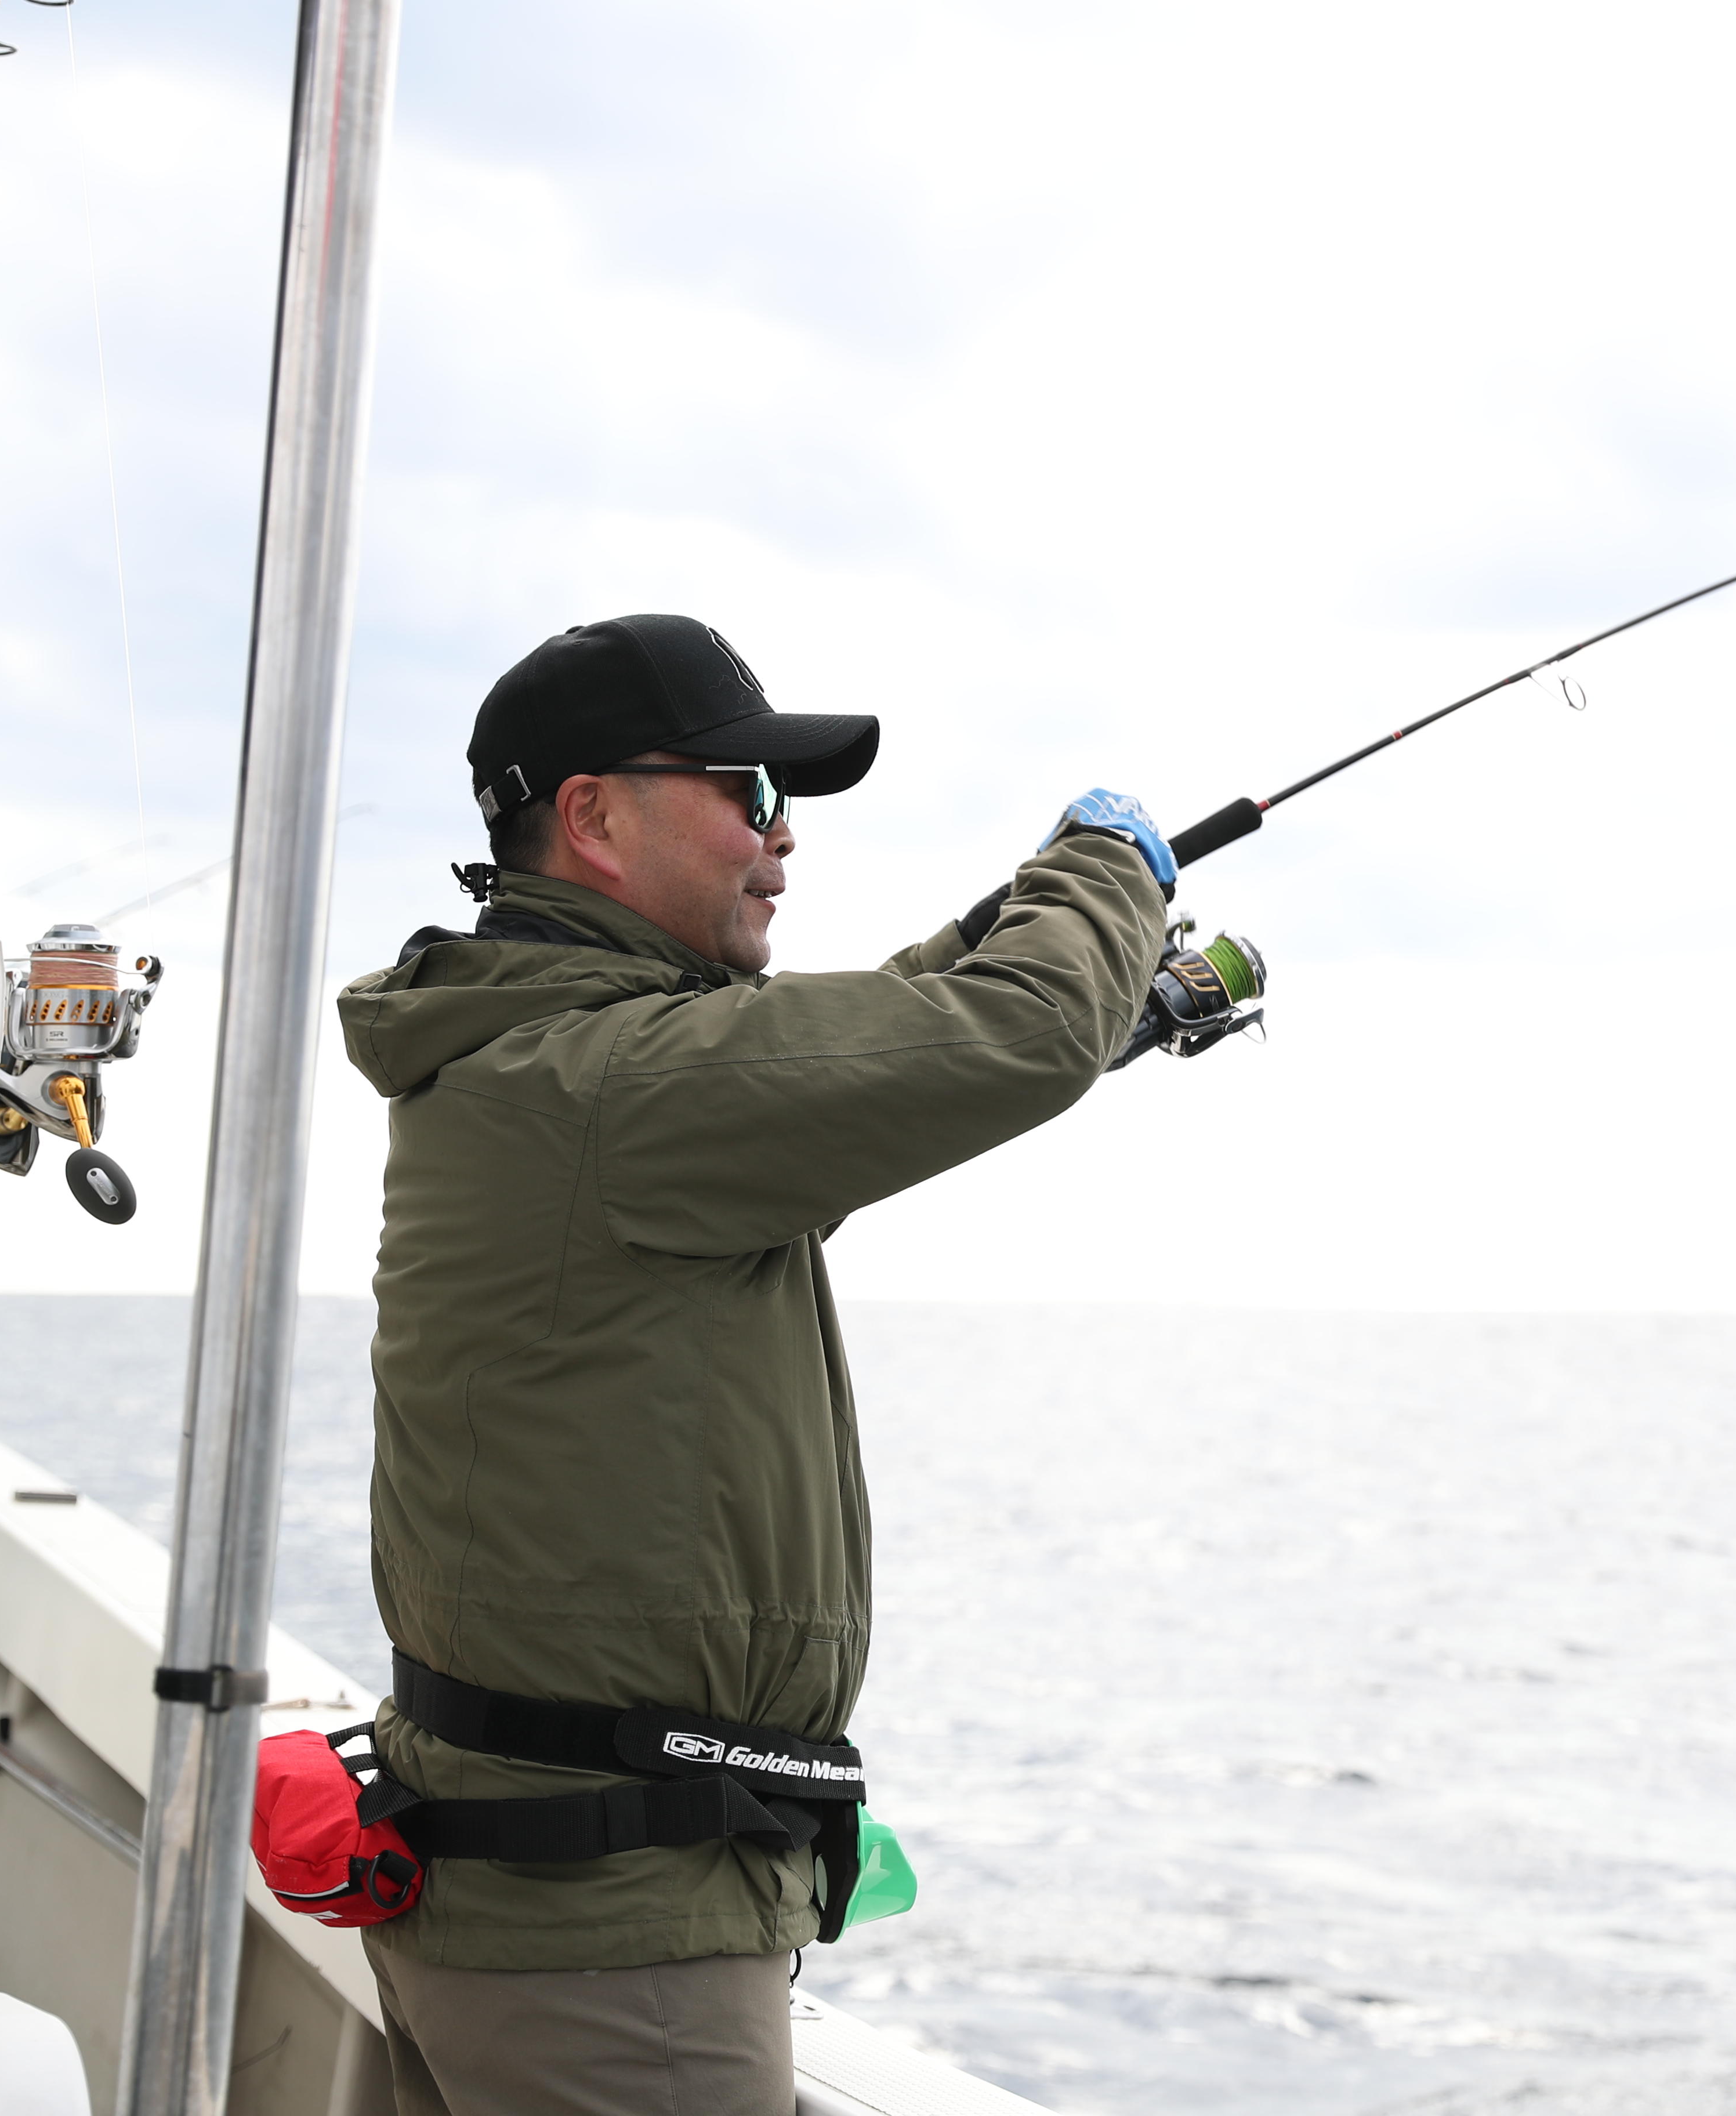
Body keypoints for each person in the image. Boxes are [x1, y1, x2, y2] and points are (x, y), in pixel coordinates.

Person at [334, 614, 1175, 2114]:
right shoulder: (619, 1089)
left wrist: (1029, 948)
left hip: (530, 1891)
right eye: (751, 793)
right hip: (613, 1940)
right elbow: (1020, 1032)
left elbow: (874, 1055)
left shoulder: (547, 1063)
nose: (784, 842)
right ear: (592, 814)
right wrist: (1102, 866)